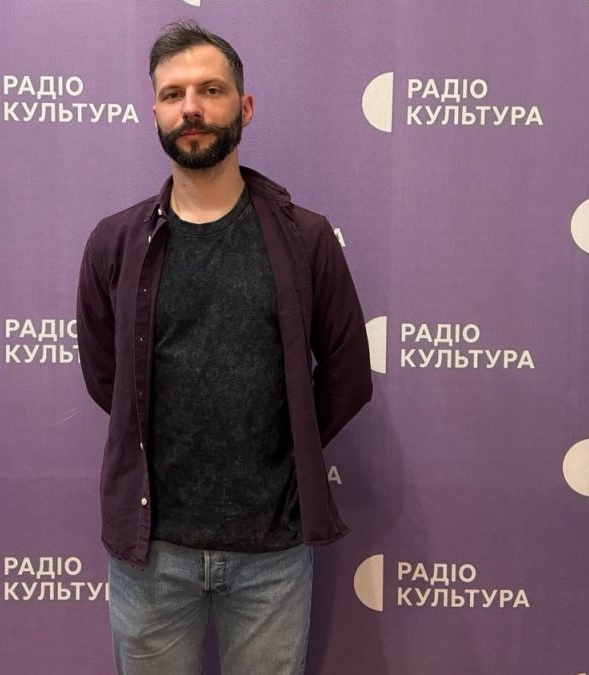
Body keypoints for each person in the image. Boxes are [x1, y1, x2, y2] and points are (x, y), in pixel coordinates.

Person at [76, 19, 372, 674]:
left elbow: (348, 376)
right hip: (151, 552)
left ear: (245, 107)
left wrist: (288, 443)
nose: (192, 108)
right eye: (174, 93)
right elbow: (105, 379)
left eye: (210, 90)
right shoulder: (114, 244)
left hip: (273, 552)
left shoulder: (307, 239)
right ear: (155, 112)